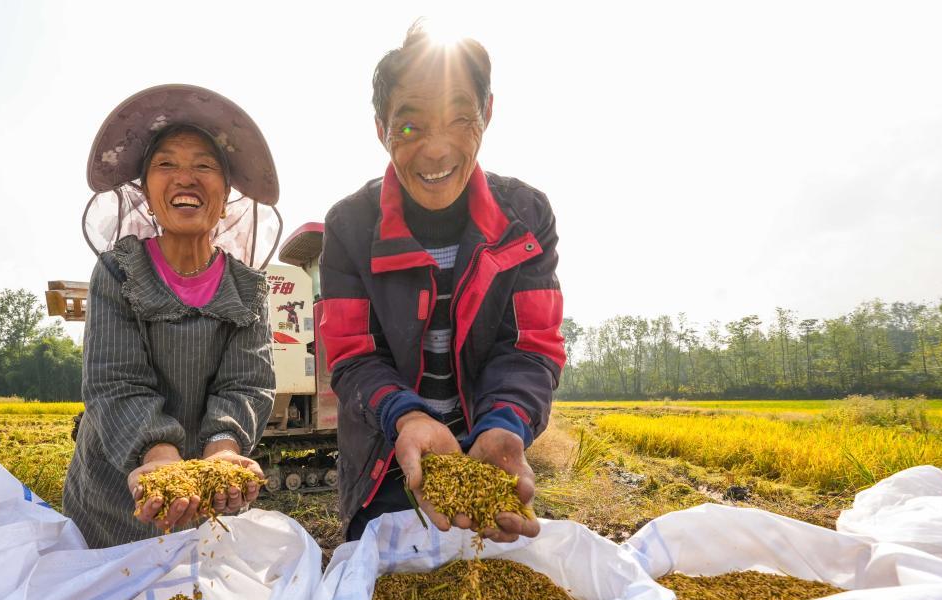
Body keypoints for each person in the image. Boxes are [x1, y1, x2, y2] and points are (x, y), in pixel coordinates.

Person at [319, 24, 566, 542]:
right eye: (409, 128)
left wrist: (506, 423)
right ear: (381, 127)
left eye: (459, 119)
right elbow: (351, 354)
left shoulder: (525, 217)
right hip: (384, 460)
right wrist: (406, 418)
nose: (436, 150)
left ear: (488, 114)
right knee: (391, 590)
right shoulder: (350, 227)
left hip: (486, 451)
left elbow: (529, 345)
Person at [64, 85, 278, 548]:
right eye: (166, 164)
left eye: (204, 165)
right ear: (145, 192)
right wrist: (159, 456)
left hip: (202, 499)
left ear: (226, 196)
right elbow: (115, 381)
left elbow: (246, 383)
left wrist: (222, 453)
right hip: (113, 496)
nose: (185, 177)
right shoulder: (119, 272)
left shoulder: (246, 287)